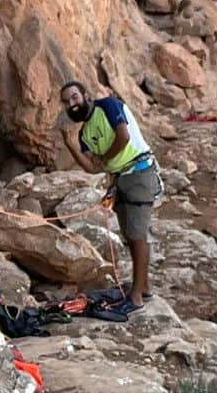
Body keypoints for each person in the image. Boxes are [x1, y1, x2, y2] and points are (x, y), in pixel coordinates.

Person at [59, 80, 161, 311]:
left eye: (74, 97)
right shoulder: (85, 133)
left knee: (137, 233)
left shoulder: (108, 106)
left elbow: (123, 137)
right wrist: (69, 143)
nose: (71, 104)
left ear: (86, 94)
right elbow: (91, 167)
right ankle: (143, 286)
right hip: (120, 179)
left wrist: (105, 158)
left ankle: (135, 295)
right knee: (129, 233)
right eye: (66, 102)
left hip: (139, 172)